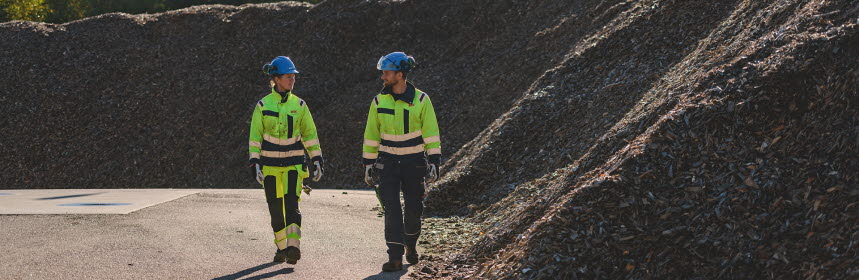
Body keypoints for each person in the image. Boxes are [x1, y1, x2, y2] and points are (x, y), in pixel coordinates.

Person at [362, 52, 441, 272]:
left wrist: (434, 161)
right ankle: (394, 256)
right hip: (387, 164)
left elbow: (431, 133)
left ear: (399, 74)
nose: (382, 77)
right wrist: (368, 164)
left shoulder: (422, 100)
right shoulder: (378, 101)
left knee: (414, 209)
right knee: (392, 209)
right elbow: (371, 135)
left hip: (414, 163)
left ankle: (411, 244)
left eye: (386, 73)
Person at [248, 56, 323, 264]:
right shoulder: (263, 105)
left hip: (293, 166)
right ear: (276, 79)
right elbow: (255, 138)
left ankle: (293, 248)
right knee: (275, 209)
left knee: (292, 206)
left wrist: (317, 159)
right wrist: (254, 163)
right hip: (270, 168)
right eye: (288, 76)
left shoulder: (299, 105)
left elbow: (310, 135)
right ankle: (281, 248)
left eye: (293, 77)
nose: (292, 80)